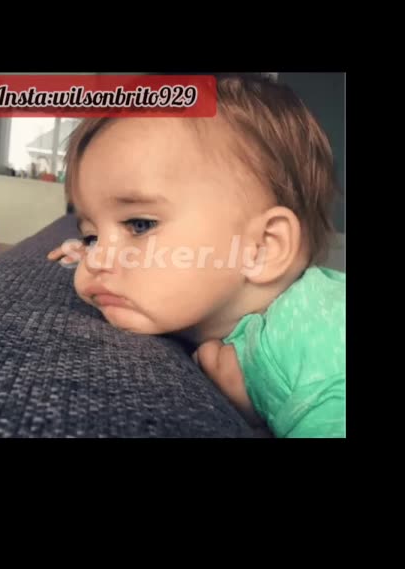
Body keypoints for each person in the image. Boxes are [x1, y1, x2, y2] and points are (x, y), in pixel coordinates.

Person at [47, 73, 345, 438]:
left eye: (140, 224)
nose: (96, 260)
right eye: (91, 236)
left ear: (263, 247)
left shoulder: (320, 343)